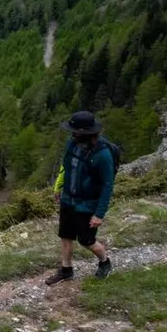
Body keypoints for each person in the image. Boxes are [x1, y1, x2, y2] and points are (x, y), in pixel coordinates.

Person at [46, 110, 116, 285]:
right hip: (68, 200)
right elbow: (66, 167)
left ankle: (104, 262)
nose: (73, 134)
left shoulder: (103, 155)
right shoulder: (72, 144)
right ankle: (66, 270)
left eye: (76, 132)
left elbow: (107, 185)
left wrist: (99, 214)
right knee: (66, 235)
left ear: (87, 133)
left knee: (86, 240)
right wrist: (59, 186)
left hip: (87, 205)